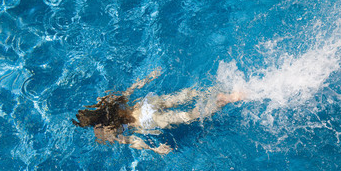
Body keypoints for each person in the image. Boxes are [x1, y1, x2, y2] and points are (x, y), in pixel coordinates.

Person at [72, 68, 244, 155]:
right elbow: (128, 92)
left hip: (148, 121)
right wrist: (148, 78)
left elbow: (132, 140)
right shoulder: (106, 103)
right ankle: (216, 91)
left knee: (189, 115)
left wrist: (154, 149)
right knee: (183, 96)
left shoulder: (103, 133)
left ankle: (222, 101)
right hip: (145, 105)